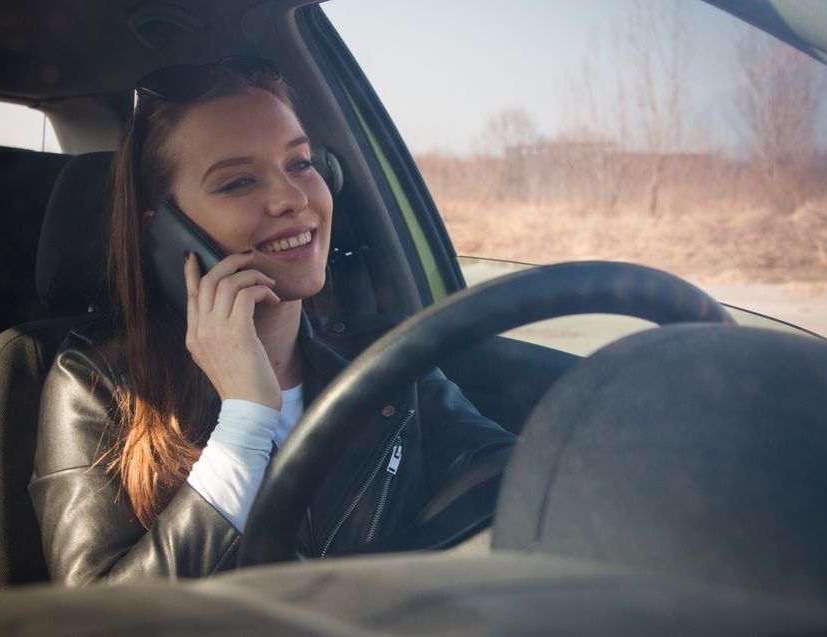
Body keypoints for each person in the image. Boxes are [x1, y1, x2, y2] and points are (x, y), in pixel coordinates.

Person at [28, 57, 517, 585]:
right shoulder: (95, 384)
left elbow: (516, 479)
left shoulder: (386, 359)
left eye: (301, 163)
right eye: (238, 182)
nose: (292, 198)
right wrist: (244, 422)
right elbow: (97, 620)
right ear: (163, 232)